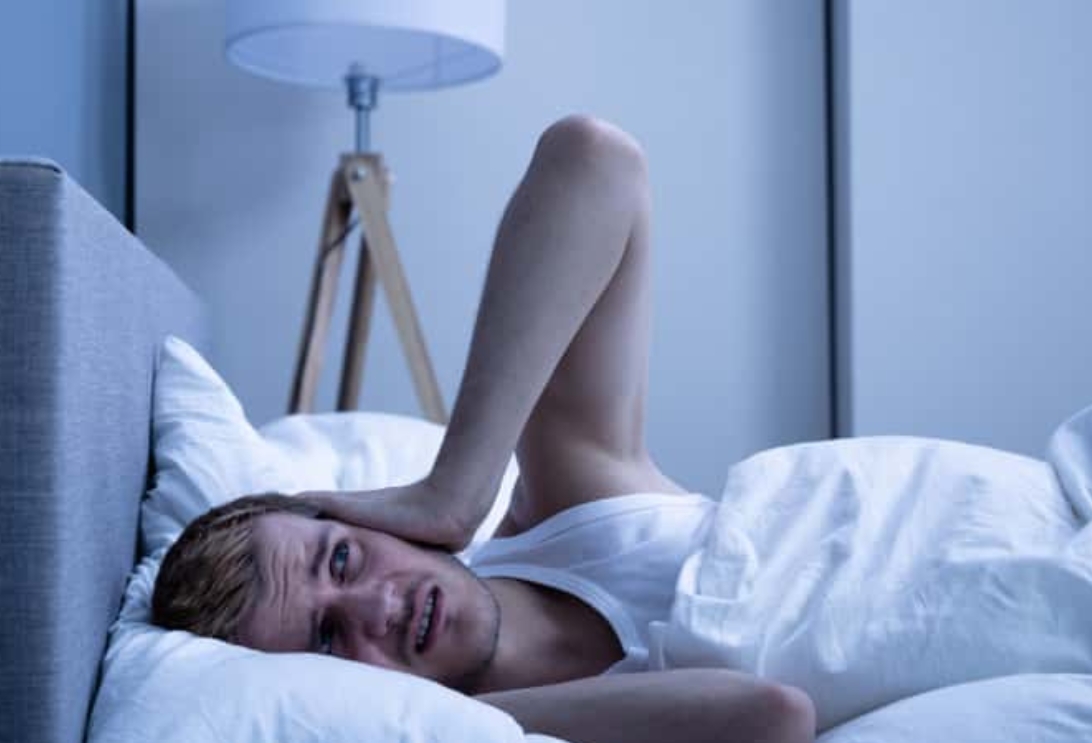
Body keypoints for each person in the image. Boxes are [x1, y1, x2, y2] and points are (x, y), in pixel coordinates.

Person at [151, 114, 818, 743]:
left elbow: (593, 158)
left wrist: (455, 489)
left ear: (363, 519)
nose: (379, 606)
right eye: (327, 638)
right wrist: (448, 716)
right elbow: (771, 716)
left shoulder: (574, 511)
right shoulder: (499, 726)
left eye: (342, 557)